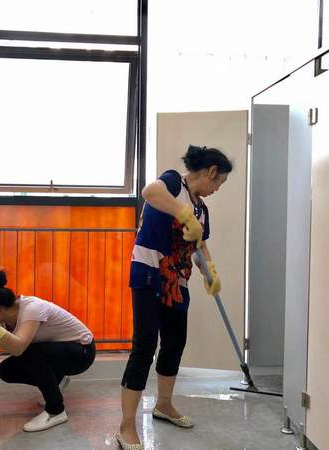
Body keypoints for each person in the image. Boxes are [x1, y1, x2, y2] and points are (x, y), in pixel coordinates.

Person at [116, 145, 232, 449]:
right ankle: (126, 425)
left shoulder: (202, 209)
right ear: (210, 172)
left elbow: (200, 245)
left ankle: (164, 405)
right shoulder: (172, 182)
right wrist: (182, 213)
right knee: (144, 346)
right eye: (219, 182)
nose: (218, 189)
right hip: (149, 272)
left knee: (174, 343)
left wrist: (210, 272)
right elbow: (149, 192)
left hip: (177, 281)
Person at [0, 270, 95, 432]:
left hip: (82, 352)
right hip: (59, 353)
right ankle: (57, 380)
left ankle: (55, 411)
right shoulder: (3, 319)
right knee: (6, 370)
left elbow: (18, 348)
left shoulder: (32, 309)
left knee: (31, 353)